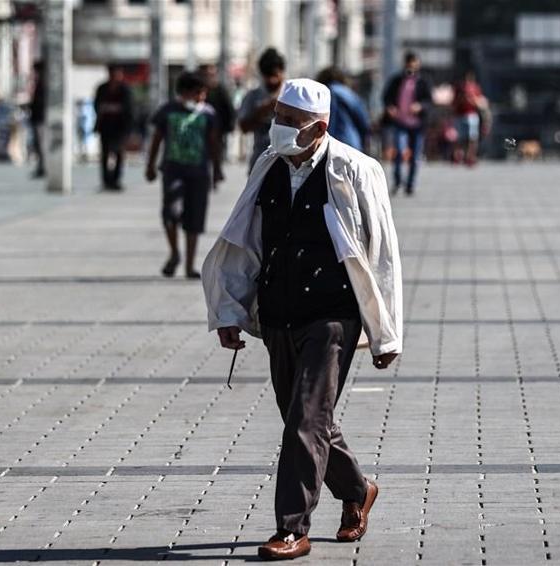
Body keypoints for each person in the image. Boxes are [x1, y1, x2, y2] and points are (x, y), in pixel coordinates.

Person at [202, 79, 402, 560]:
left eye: (292, 122)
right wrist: (229, 309)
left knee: (306, 419)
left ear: (320, 128)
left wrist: (386, 333)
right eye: (279, 117)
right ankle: (358, 490)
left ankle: (291, 528)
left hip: (332, 314)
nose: (281, 128)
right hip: (278, 311)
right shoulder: (268, 165)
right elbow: (245, 242)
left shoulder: (355, 169)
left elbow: (382, 252)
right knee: (305, 418)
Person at [146, 72, 223, 279]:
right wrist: (150, 165)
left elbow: (213, 142)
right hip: (173, 171)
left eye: (204, 93)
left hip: (199, 174)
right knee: (170, 213)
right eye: (197, 93)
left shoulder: (208, 113)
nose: (201, 97)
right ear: (184, 93)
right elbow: (157, 139)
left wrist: (217, 169)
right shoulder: (168, 111)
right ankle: (174, 253)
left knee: (194, 219)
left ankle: (190, 265)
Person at [382, 51, 432, 195]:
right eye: (409, 63)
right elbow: (386, 97)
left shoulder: (423, 81)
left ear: (418, 64)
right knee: (399, 151)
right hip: (400, 122)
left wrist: (420, 106)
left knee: (415, 156)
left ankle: (410, 184)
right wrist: (390, 107)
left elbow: (429, 101)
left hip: (417, 124)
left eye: (414, 63)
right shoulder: (397, 80)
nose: (411, 66)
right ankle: (398, 181)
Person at [238, 47, 286, 172]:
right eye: (267, 76)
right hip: (261, 160)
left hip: (288, 162)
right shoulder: (254, 96)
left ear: (282, 72)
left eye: (275, 75)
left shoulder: (289, 95)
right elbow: (244, 127)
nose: (272, 80)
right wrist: (262, 111)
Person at [94, 64, 133, 190]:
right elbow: (97, 105)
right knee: (105, 154)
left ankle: (116, 180)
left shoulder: (125, 89)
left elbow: (129, 108)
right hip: (105, 126)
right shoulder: (102, 88)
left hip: (120, 127)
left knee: (119, 153)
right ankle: (106, 180)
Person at [316, 66, 370, 152]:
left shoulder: (321, 93)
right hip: (350, 140)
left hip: (328, 142)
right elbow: (362, 119)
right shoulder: (348, 93)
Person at [198, 63, 236, 162]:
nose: (209, 78)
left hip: (217, 131)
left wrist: (229, 127)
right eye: (206, 75)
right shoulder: (198, 92)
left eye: (212, 75)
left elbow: (229, 110)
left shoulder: (220, 91)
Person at [452, 70, 487, 166]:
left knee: (472, 138)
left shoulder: (475, 88)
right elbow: (454, 102)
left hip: (472, 115)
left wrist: (473, 100)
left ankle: (470, 157)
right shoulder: (459, 88)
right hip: (460, 115)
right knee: (460, 138)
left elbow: (481, 101)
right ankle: (458, 156)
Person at [29, 61, 46, 178]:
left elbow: (40, 103)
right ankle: (41, 167)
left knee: (41, 144)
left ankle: (43, 167)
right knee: (38, 145)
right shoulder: (39, 83)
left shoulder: (43, 84)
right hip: (37, 118)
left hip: (40, 119)